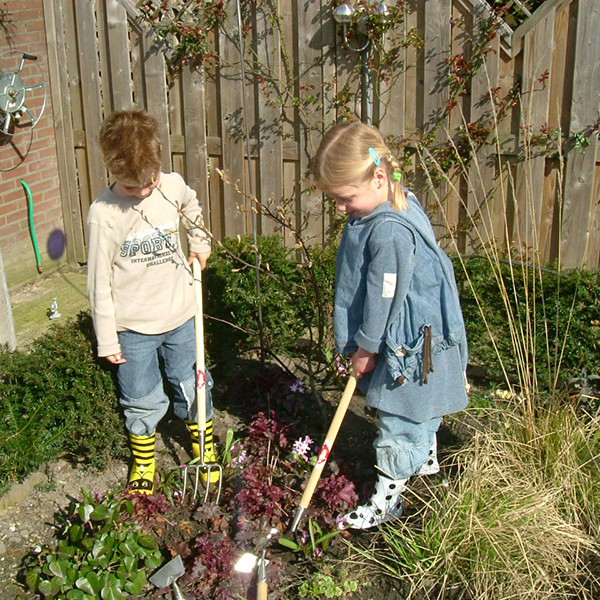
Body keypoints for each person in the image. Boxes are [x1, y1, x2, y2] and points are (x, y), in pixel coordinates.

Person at [311, 122, 469, 529]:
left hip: (405, 344)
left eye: (345, 198)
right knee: (419, 407)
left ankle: (388, 500)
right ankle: (424, 458)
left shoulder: (388, 232)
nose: (341, 208)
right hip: (417, 333)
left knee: (400, 416)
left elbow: (384, 299)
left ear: (378, 177)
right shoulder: (400, 198)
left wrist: (365, 348)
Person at [87, 109, 219, 494]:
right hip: (133, 329)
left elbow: (192, 210)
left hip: (181, 315)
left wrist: (199, 242)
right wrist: (107, 339)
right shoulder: (104, 214)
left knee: (194, 383)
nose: (144, 191)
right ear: (112, 170)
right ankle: (144, 460)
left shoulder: (172, 185)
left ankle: (204, 445)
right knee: (140, 394)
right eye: (132, 187)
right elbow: (98, 283)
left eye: (150, 182)